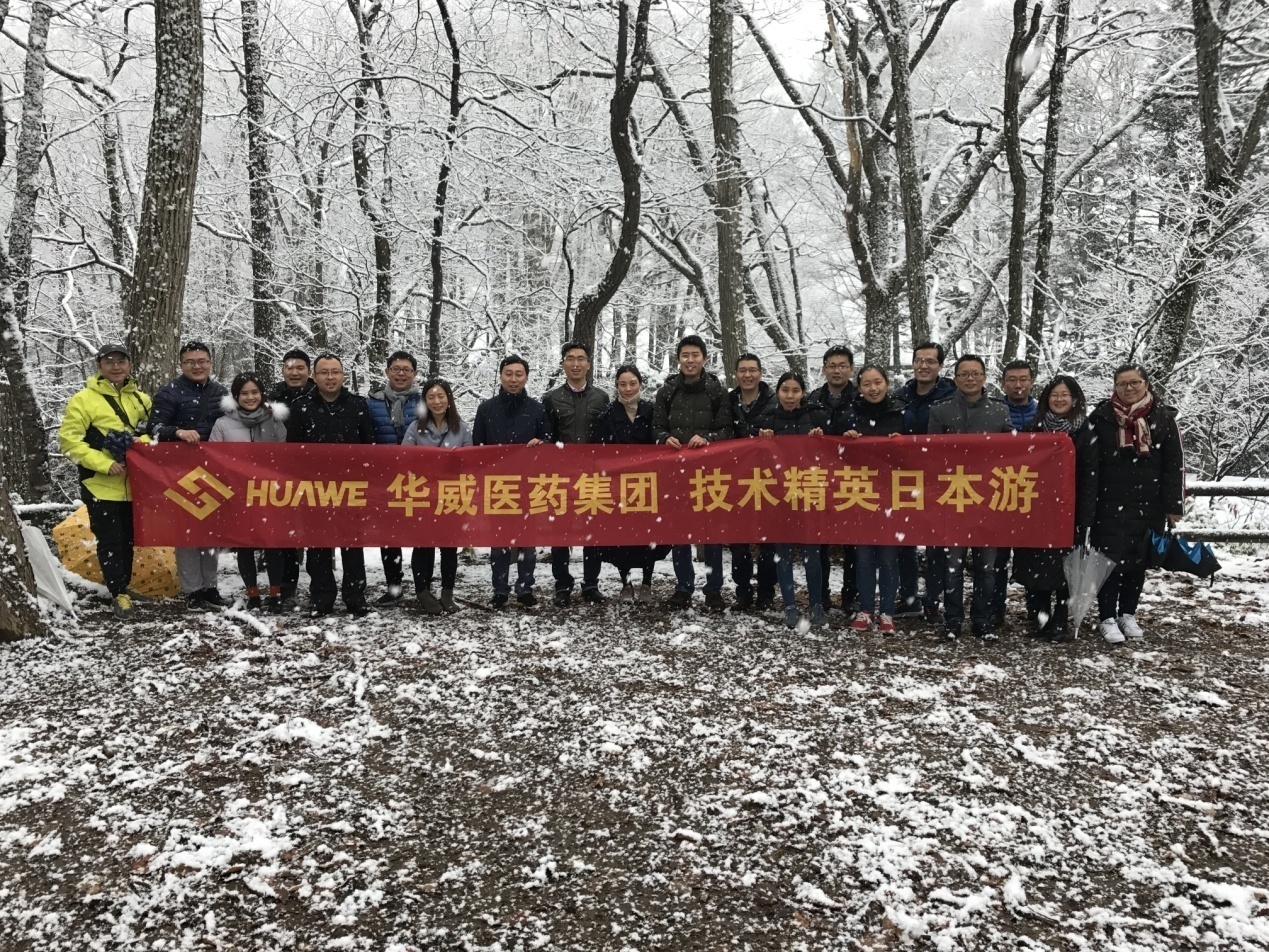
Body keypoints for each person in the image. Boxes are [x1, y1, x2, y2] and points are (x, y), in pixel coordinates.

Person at [1084, 363, 1184, 645]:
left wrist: (1173, 505)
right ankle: (1106, 617)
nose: (1128, 388)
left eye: (1134, 383)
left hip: (1148, 503)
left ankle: (1128, 614)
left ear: (1146, 384)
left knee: (1138, 561)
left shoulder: (1163, 418)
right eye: (1122, 384)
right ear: (1114, 387)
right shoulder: (1101, 417)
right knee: (1108, 561)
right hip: (1108, 502)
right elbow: (1089, 464)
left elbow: (1174, 464)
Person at [58, 343, 152, 618]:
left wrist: (137, 446)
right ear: (99, 366)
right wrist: (104, 463)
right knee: (111, 540)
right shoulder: (83, 400)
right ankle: (117, 593)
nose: (116, 366)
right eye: (109, 361)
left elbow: (154, 433)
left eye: (121, 361)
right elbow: (70, 443)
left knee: (129, 539)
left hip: (134, 486)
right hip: (100, 485)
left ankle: (124, 585)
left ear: (130, 365)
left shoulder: (142, 400)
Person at [928, 354, 1013, 640]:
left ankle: (982, 619)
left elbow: (1014, 454)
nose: (970, 378)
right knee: (952, 566)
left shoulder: (999, 411)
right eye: (964, 374)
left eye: (975, 373)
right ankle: (952, 620)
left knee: (986, 567)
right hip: (954, 498)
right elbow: (930, 454)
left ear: (984, 377)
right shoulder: (940, 411)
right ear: (955, 379)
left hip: (989, 500)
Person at [286, 354, 377, 616]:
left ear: (343, 375)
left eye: (335, 372)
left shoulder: (358, 405)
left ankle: (355, 596)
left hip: (351, 488)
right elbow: (292, 450)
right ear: (314, 376)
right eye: (324, 372)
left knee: (352, 544)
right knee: (318, 545)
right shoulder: (301, 406)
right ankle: (321, 596)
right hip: (314, 488)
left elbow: (369, 445)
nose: (330, 377)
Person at [653, 334, 733, 611]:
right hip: (675, 473)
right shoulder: (666, 392)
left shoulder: (717, 391)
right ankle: (683, 587)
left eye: (695, 355)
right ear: (678, 360)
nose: (690, 360)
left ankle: (713, 589)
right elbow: (656, 427)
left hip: (709, 474)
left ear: (704, 358)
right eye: (685, 355)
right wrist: (664, 437)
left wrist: (709, 438)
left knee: (711, 534)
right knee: (680, 534)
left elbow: (727, 429)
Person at [1013, 375, 1094, 641]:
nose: (1059, 400)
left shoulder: (1085, 432)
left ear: (1075, 399)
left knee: (1064, 568)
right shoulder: (1033, 428)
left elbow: (1090, 477)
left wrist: (1086, 514)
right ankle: (1040, 618)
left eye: (1064, 395)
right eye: (1054, 395)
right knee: (1036, 566)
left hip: (1070, 510)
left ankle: (1060, 620)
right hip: (1036, 508)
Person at [148, 341, 228, 610]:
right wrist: (177, 432)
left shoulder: (221, 393)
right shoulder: (169, 392)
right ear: (181, 365)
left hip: (214, 473)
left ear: (210, 363)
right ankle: (192, 590)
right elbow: (154, 429)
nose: (197, 366)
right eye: (190, 362)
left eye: (202, 361)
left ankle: (210, 587)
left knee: (210, 532)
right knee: (187, 533)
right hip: (181, 473)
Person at [473, 355, 553, 608]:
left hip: (529, 485)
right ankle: (500, 590)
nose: (514, 379)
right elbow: (477, 447)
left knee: (527, 542)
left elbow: (549, 440)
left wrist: (541, 443)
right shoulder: (486, 409)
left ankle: (525, 589)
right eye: (509, 374)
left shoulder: (537, 409)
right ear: (500, 376)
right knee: (499, 542)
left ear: (526, 377)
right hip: (498, 486)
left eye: (519, 374)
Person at [209, 372, 289, 612]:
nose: (250, 397)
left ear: (262, 394)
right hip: (237, 493)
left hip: (269, 492)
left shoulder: (275, 422)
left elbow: (284, 457)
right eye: (244, 393)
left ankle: (275, 593)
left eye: (254, 392)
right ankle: (252, 593)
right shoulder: (223, 423)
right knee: (244, 544)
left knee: (273, 543)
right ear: (236, 396)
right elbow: (213, 458)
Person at [756, 372, 828, 628]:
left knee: (812, 553)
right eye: (785, 390)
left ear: (802, 393)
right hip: (780, 494)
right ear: (777, 392)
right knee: (783, 553)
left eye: (795, 390)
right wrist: (762, 439)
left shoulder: (815, 416)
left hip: (809, 491)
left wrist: (820, 438)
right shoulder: (767, 418)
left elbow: (830, 452)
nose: (790, 395)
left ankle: (817, 603)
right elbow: (756, 455)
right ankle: (789, 605)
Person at [543, 342, 610, 606]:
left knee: (593, 532)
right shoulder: (551, 398)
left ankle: (591, 583)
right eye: (570, 358)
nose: (576, 363)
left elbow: (606, 439)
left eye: (581, 358)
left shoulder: (601, 398)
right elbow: (547, 437)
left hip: (592, 477)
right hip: (561, 477)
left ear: (589, 364)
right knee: (560, 533)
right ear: (563, 364)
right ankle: (562, 585)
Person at [842, 364, 907, 634]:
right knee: (864, 557)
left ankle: (887, 612)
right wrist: (847, 438)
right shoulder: (851, 413)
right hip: (861, 495)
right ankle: (866, 609)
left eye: (878, 382)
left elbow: (918, 450)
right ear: (859, 388)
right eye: (867, 384)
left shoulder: (901, 412)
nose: (873, 388)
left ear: (886, 383)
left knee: (889, 558)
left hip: (892, 494)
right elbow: (837, 452)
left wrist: (904, 442)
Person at [895, 342, 956, 622]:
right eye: (919, 360)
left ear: (940, 365)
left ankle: (932, 600)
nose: (924, 365)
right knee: (903, 541)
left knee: (936, 543)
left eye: (930, 361)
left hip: (939, 478)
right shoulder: (900, 396)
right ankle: (909, 598)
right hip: (904, 478)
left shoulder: (951, 396)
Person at [595, 364, 666, 600]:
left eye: (632, 383)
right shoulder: (607, 414)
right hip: (619, 486)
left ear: (640, 384)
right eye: (622, 384)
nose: (628, 389)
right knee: (622, 538)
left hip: (648, 484)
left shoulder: (652, 411)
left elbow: (661, 441)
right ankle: (625, 583)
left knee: (648, 536)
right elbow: (599, 451)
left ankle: (647, 582)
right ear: (616, 386)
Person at [402, 378, 472, 614]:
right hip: (423, 495)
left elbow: (471, 463)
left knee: (449, 547)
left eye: (441, 396)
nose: (436, 401)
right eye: (431, 397)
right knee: (423, 546)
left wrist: (459, 459)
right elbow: (404, 459)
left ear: (449, 399)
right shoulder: (415, 428)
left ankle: (447, 593)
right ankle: (423, 592)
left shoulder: (462, 428)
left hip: (451, 495)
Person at [366, 350, 423, 606]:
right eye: (396, 369)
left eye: (406, 369)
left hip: (418, 479)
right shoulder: (372, 403)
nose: (401, 374)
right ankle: (394, 585)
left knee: (423, 533)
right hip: (384, 479)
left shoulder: (425, 401)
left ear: (415, 373)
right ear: (387, 372)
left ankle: (422, 585)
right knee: (388, 535)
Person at [808, 346, 858, 613]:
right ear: (824, 368)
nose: (837, 370)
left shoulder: (861, 397)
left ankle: (851, 596)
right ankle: (821, 594)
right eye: (832, 365)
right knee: (820, 541)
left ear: (851, 369)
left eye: (842, 365)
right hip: (820, 479)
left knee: (853, 543)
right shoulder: (813, 399)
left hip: (854, 479)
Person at [991, 359, 1040, 625]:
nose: (1017, 385)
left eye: (1023, 379)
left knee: (1033, 556)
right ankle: (994, 610)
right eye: (1011, 379)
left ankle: (1036, 611)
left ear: (1032, 382)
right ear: (1003, 383)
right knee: (996, 559)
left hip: (1035, 495)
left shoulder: (1043, 412)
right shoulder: (993, 412)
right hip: (998, 493)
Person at [728, 353, 777, 610]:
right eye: (743, 370)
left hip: (768, 481)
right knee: (738, 543)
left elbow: (788, 432)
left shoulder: (774, 401)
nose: (748, 375)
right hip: (736, 480)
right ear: (736, 374)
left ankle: (766, 592)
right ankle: (743, 591)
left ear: (760, 373)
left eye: (752, 370)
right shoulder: (727, 402)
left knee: (769, 543)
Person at [267, 349, 316, 602]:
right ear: (282, 370)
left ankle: (320, 584)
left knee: (315, 529)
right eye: (289, 368)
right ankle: (286, 583)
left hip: (314, 472)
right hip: (280, 472)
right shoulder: (272, 399)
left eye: (300, 368)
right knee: (284, 529)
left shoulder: (319, 395)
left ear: (309, 371)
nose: (294, 373)